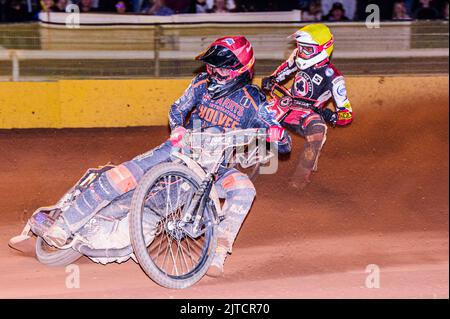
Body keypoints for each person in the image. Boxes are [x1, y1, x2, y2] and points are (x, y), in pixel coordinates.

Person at [30, 36, 291, 277]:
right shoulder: (201, 83)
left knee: (244, 188)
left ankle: (219, 252)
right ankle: (63, 225)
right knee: (123, 177)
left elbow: (282, 142)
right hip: (178, 149)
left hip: (213, 167)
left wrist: (278, 136)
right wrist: (177, 127)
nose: (214, 73)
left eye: (221, 69)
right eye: (212, 67)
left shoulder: (255, 100)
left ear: (239, 70)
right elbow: (178, 108)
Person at [262, 24, 353, 189]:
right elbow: (284, 70)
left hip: (307, 113)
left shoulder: (333, 77)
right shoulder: (298, 56)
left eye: (308, 49)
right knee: (257, 109)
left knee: (318, 129)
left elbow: (347, 114)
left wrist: (332, 116)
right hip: (287, 102)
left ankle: (299, 179)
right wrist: (272, 79)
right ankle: (235, 152)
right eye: (300, 47)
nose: (302, 52)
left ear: (323, 49)